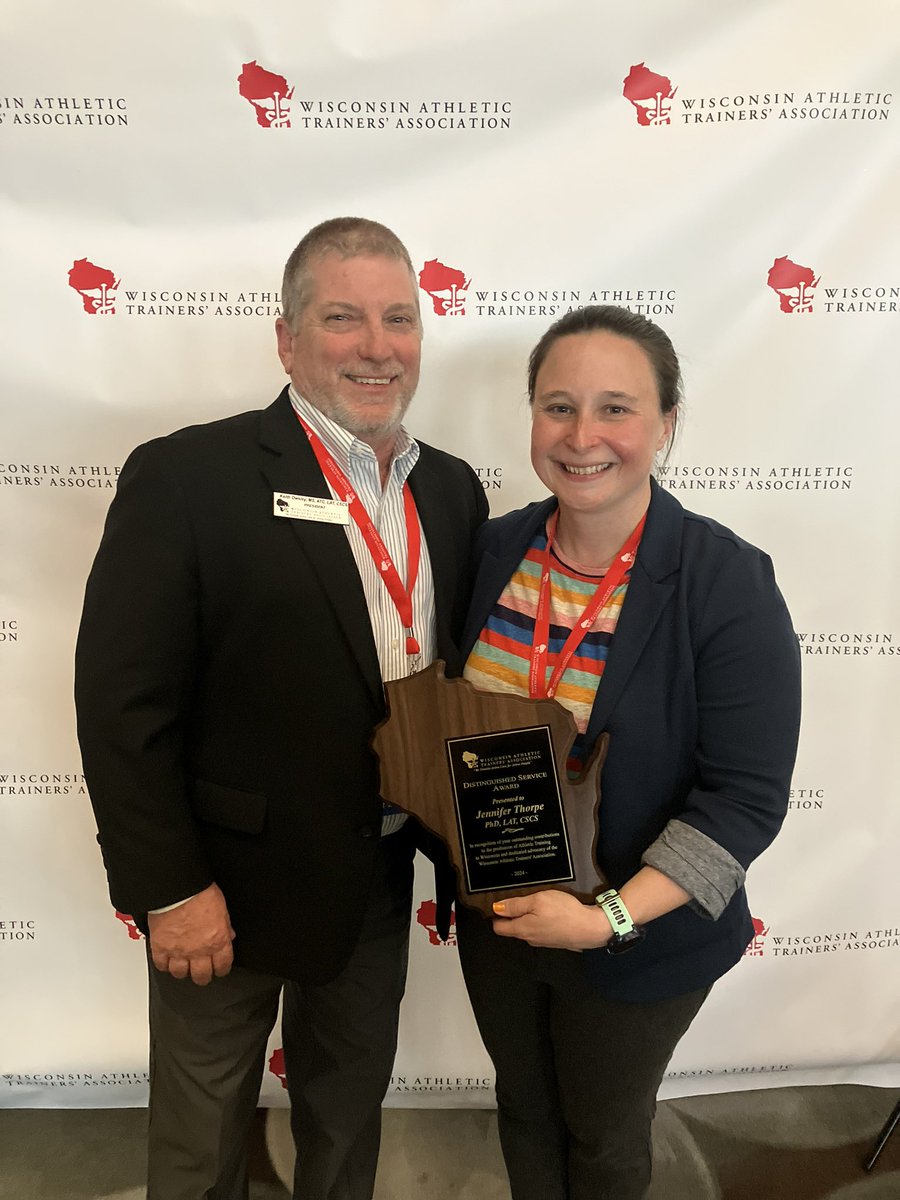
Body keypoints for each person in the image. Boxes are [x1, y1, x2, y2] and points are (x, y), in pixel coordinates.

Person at [74, 216, 488, 1200]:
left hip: (378, 878)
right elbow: (122, 706)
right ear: (287, 337)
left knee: (347, 1116)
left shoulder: (456, 493)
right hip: (224, 890)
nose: (377, 345)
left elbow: (456, 686)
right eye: (343, 317)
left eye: (399, 318)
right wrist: (169, 891)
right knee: (200, 1133)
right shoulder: (188, 478)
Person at [454, 305, 801, 1200]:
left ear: (666, 424)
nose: (582, 437)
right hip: (500, 920)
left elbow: (744, 802)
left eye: (616, 408)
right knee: (524, 1112)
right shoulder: (494, 550)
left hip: (637, 938)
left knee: (603, 1137)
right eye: (558, 406)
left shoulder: (726, 583)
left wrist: (604, 918)